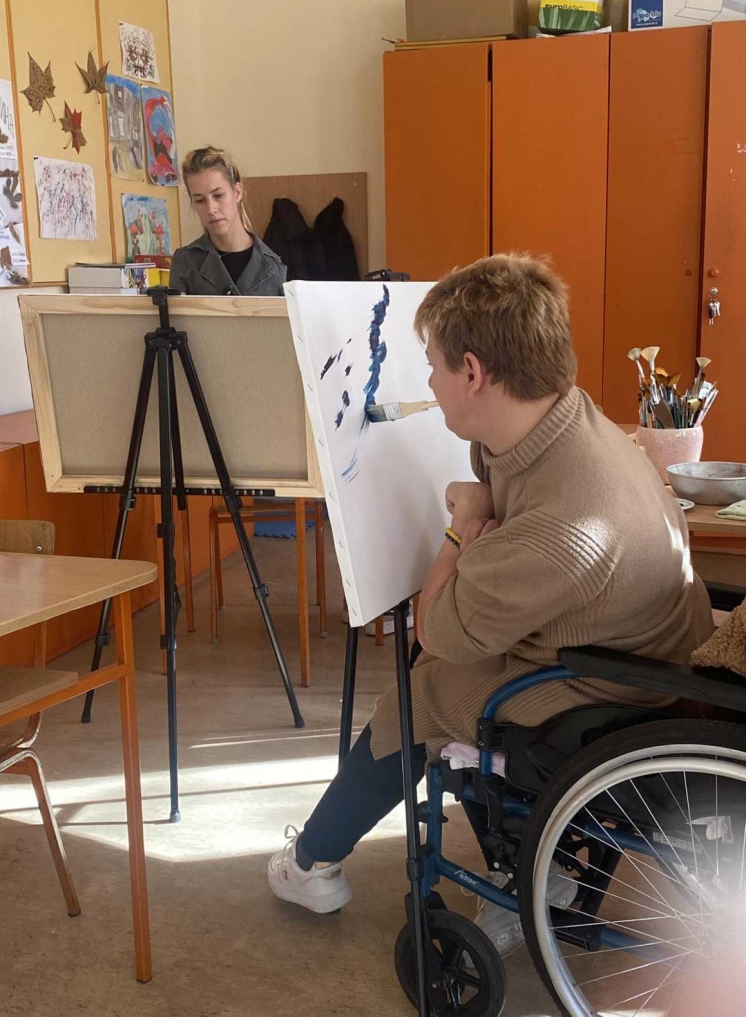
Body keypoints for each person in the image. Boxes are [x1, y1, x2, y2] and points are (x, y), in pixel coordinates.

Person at [267, 253, 715, 925]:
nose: (427, 381)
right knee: (456, 671)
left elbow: (436, 630)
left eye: (432, 366)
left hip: (619, 685)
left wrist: (461, 527)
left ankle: (311, 863)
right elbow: (506, 482)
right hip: (653, 640)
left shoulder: (559, 523)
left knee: (423, 690)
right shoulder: (574, 417)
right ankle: (523, 859)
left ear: (473, 372)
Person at [169, 146, 286, 296]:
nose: (211, 209)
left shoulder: (275, 267)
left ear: (237, 192)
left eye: (218, 195)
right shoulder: (186, 261)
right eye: (199, 200)